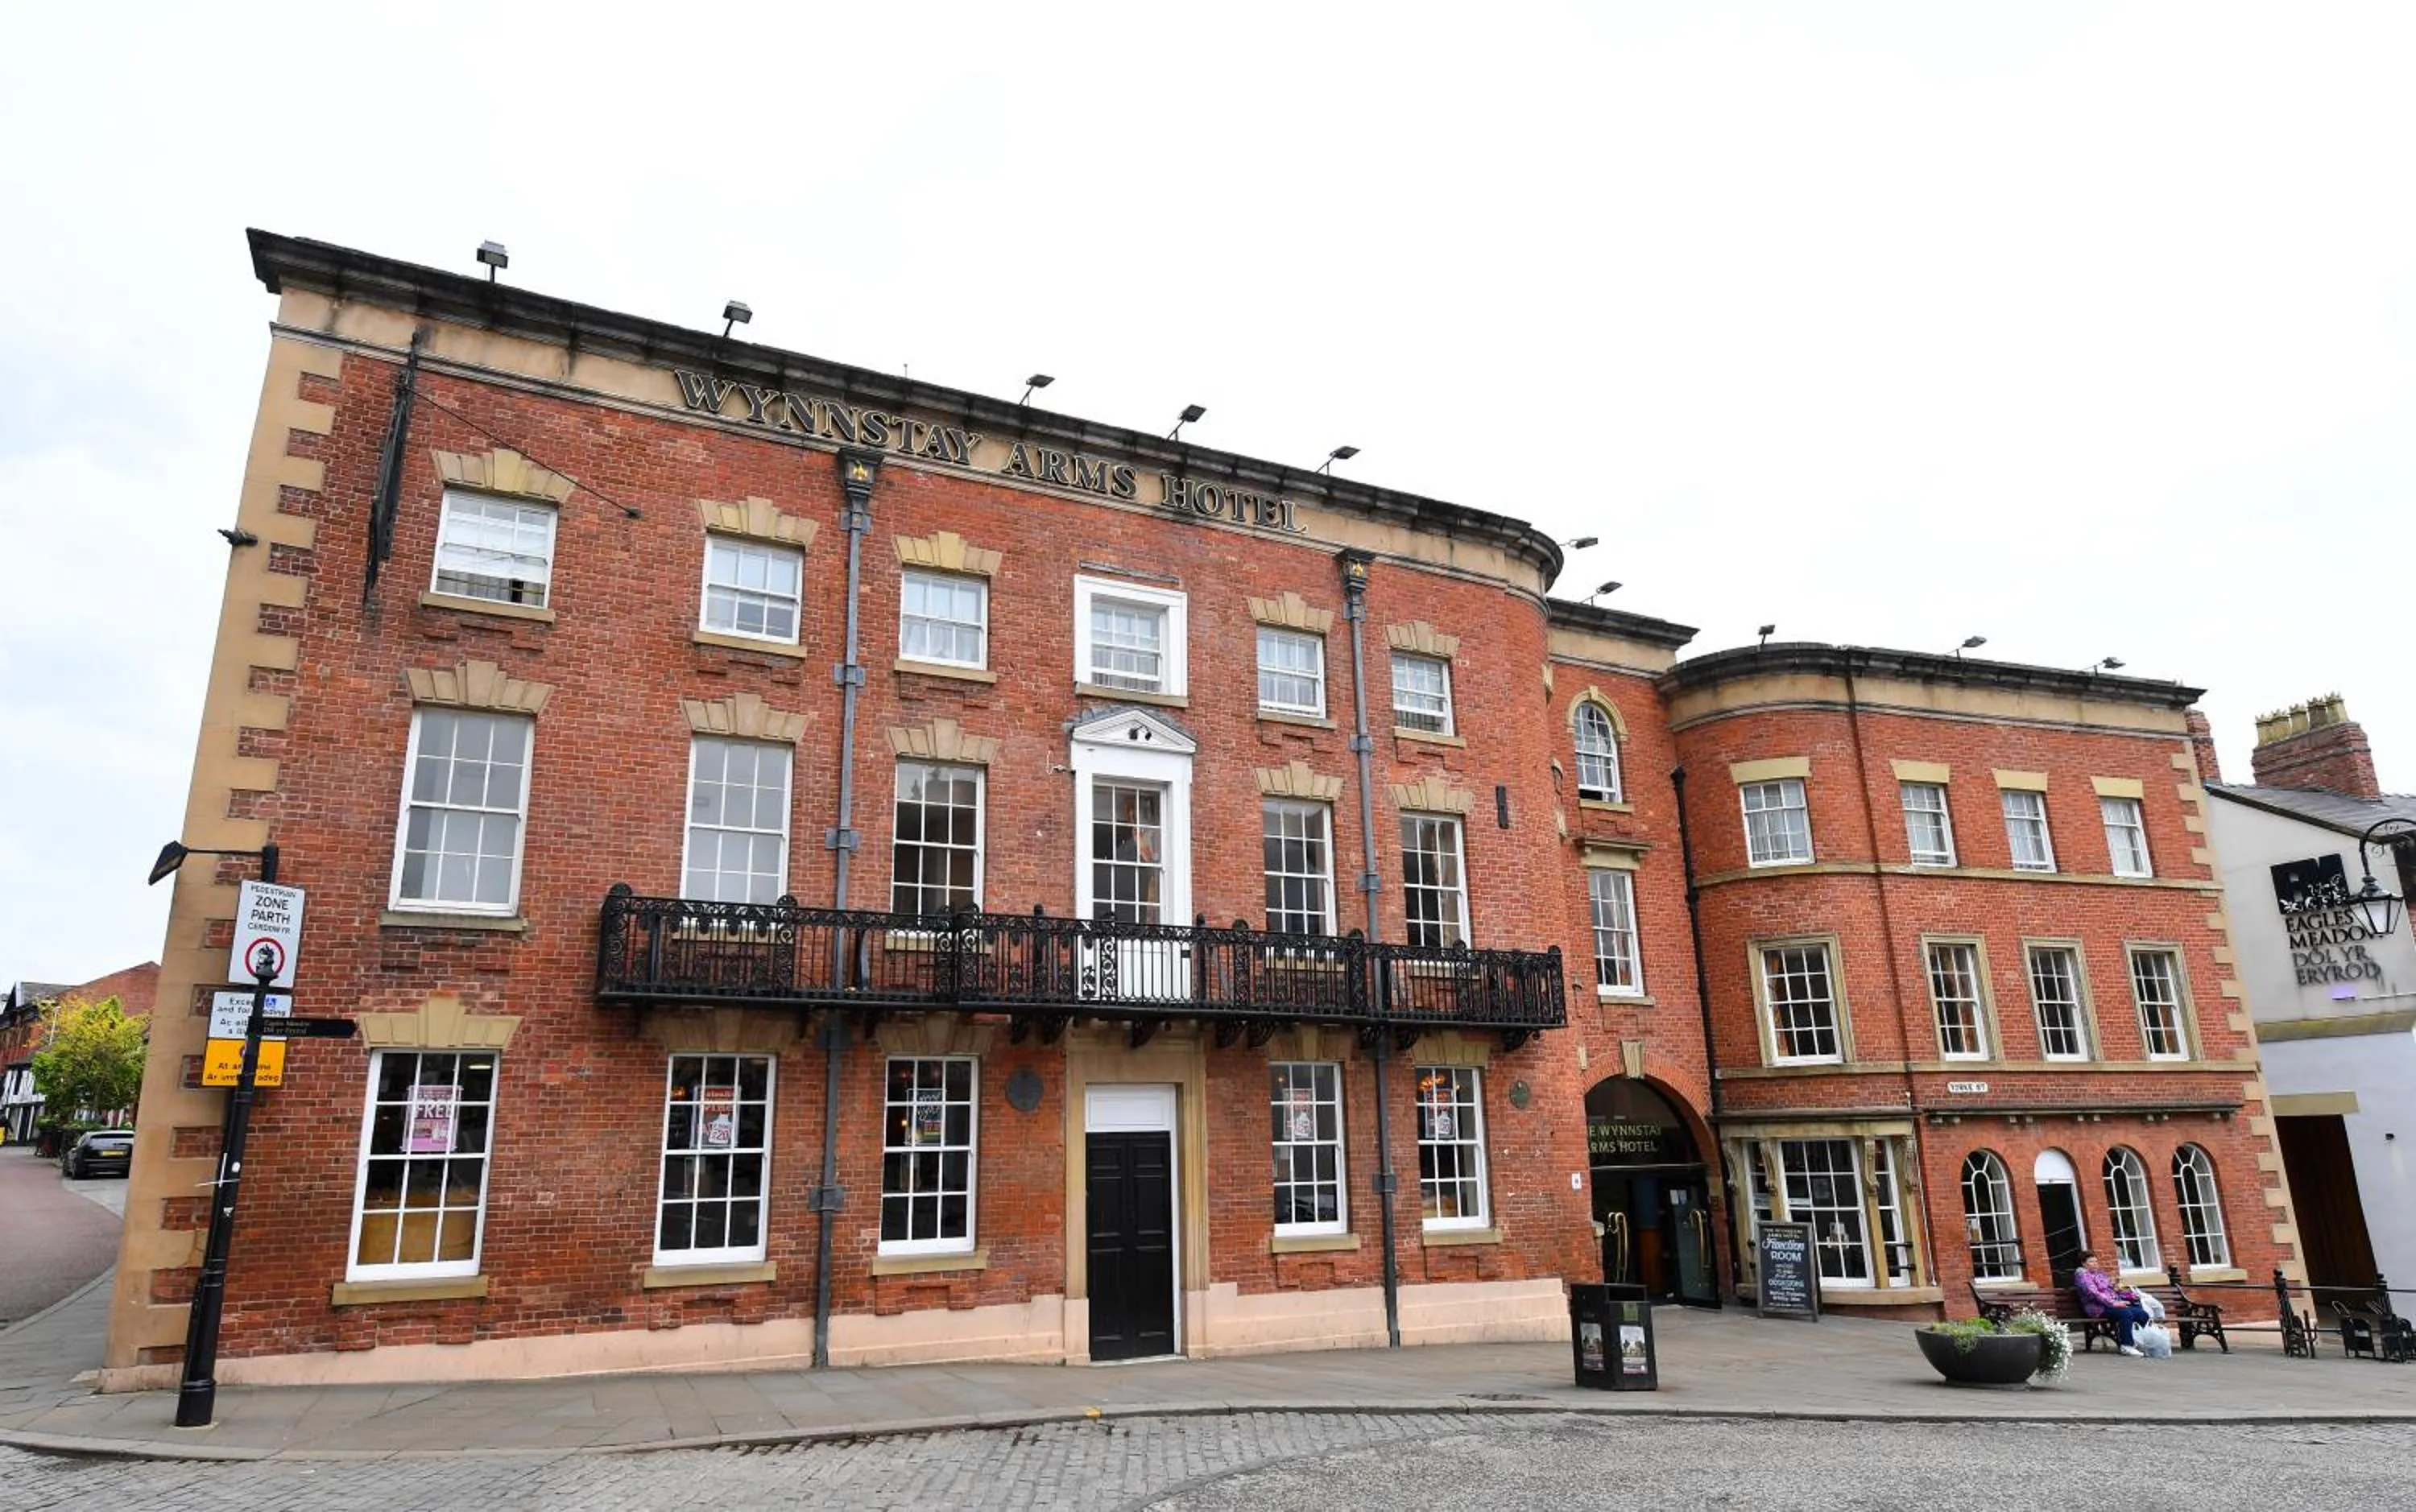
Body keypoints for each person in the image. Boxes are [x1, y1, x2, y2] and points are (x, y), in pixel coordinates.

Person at [2074, 1249, 2152, 1356]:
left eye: (2096, 1261)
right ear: (2084, 1264)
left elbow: (2109, 1288)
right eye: (2091, 1262)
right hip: (2097, 1308)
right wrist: (2113, 1303)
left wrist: (2117, 1289)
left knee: (2141, 1313)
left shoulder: (2099, 1274)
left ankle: (2144, 1343)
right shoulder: (2082, 1276)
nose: (2095, 1264)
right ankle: (2126, 1346)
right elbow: (2094, 1293)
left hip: (2112, 1305)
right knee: (2125, 1313)